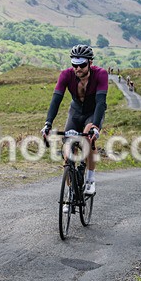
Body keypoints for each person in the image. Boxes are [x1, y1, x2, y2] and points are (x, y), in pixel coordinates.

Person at [41, 44, 108, 196]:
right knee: (68, 149)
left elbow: (100, 102)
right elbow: (56, 99)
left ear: (90, 63)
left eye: (82, 65)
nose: (78, 69)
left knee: (88, 139)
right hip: (75, 112)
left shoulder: (101, 74)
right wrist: (48, 123)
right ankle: (71, 190)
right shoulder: (66, 75)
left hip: (93, 113)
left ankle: (90, 179)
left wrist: (96, 127)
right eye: (74, 65)